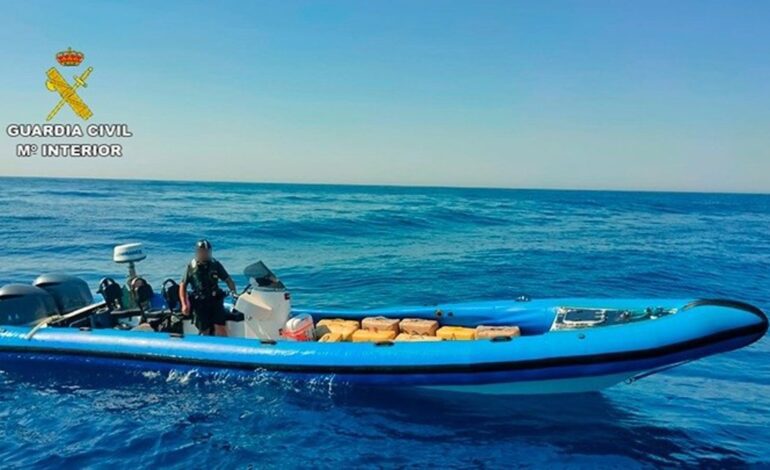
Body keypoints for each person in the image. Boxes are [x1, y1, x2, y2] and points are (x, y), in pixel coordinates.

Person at [179, 240, 237, 336]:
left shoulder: (215, 265)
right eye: (203, 251)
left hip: (215, 301)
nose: (205, 254)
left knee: (220, 327)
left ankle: (222, 348)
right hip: (200, 303)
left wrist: (234, 293)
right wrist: (184, 304)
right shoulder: (191, 267)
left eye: (208, 251)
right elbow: (182, 285)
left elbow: (228, 280)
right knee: (204, 330)